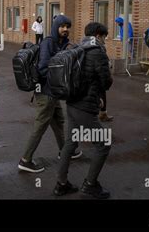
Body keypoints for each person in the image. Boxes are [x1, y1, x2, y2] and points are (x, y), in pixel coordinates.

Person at [54, 22, 113, 199]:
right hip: (86, 107)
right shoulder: (98, 52)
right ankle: (90, 184)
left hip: (71, 102)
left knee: (70, 144)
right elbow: (106, 82)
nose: (104, 40)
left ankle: (61, 184)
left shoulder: (76, 47)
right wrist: (107, 71)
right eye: (104, 36)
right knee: (103, 145)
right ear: (98, 35)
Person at [18, 15, 82, 174]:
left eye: (68, 26)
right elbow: (43, 68)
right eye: (62, 26)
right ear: (56, 27)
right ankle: (25, 160)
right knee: (40, 125)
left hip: (53, 92)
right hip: (46, 93)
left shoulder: (63, 43)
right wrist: (63, 78)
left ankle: (65, 151)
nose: (66, 29)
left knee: (59, 121)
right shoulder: (48, 42)